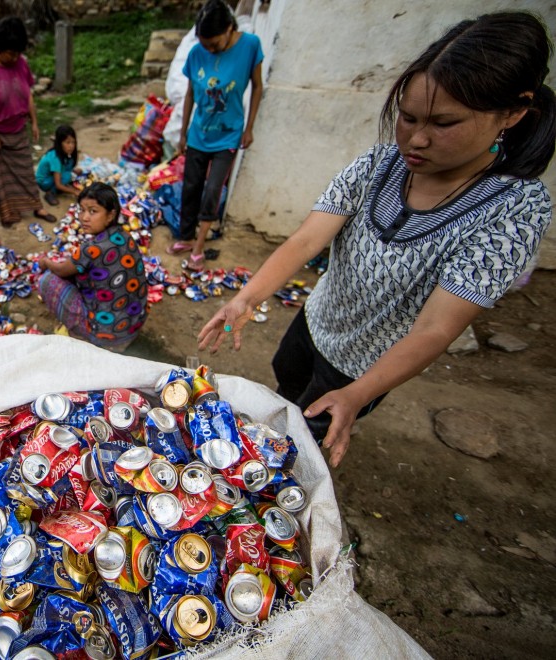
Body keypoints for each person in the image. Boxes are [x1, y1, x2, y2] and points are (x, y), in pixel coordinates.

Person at [198, 11, 554, 468]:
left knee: (307, 439)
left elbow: (436, 328)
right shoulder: (379, 165)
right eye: (407, 117)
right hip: (315, 320)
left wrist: (359, 392)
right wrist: (245, 299)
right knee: (284, 387)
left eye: (443, 124)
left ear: (514, 112)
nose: (416, 139)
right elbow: (308, 239)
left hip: (363, 365)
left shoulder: (514, 209)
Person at [167, 0, 263, 272]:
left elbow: (257, 87)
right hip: (199, 133)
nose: (209, 50)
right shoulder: (197, 52)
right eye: (205, 44)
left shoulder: (250, 46)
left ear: (230, 29)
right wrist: (183, 133)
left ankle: (198, 248)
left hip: (228, 135)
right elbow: (189, 95)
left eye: (215, 44)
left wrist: (250, 127)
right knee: (191, 187)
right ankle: (185, 237)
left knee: (212, 191)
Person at [37, 182, 149, 351]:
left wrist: (46, 262)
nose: (84, 217)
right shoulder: (125, 235)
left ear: (111, 215)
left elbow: (60, 270)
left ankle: (85, 337)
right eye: (81, 210)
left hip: (107, 336)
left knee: (47, 280)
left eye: (93, 211)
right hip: (132, 325)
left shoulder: (91, 249)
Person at [0, 16, 56, 226]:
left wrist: (34, 121)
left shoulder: (21, 63)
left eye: (18, 53)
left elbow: (28, 95)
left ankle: (37, 207)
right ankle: (8, 211)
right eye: (11, 53)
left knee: (25, 171)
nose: (15, 57)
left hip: (17, 129)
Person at [36, 125, 82, 206]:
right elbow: (58, 184)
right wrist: (75, 191)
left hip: (52, 176)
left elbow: (66, 164)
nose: (71, 146)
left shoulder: (63, 153)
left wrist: (73, 170)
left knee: (70, 171)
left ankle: (61, 185)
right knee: (67, 176)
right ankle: (50, 193)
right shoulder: (55, 158)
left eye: (73, 142)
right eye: (67, 142)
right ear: (60, 143)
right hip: (44, 182)